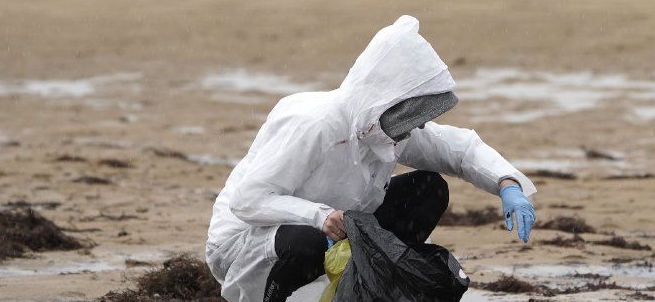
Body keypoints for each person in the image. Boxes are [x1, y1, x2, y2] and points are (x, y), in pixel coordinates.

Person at [205, 15, 537, 302]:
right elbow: (247, 200)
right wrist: (318, 216)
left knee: (428, 189)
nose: (419, 123)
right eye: (415, 110)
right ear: (388, 99)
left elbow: (459, 148)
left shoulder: (387, 131)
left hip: (333, 232)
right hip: (246, 243)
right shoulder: (315, 124)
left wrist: (507, 185)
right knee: (305, 239)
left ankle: (370, 285)